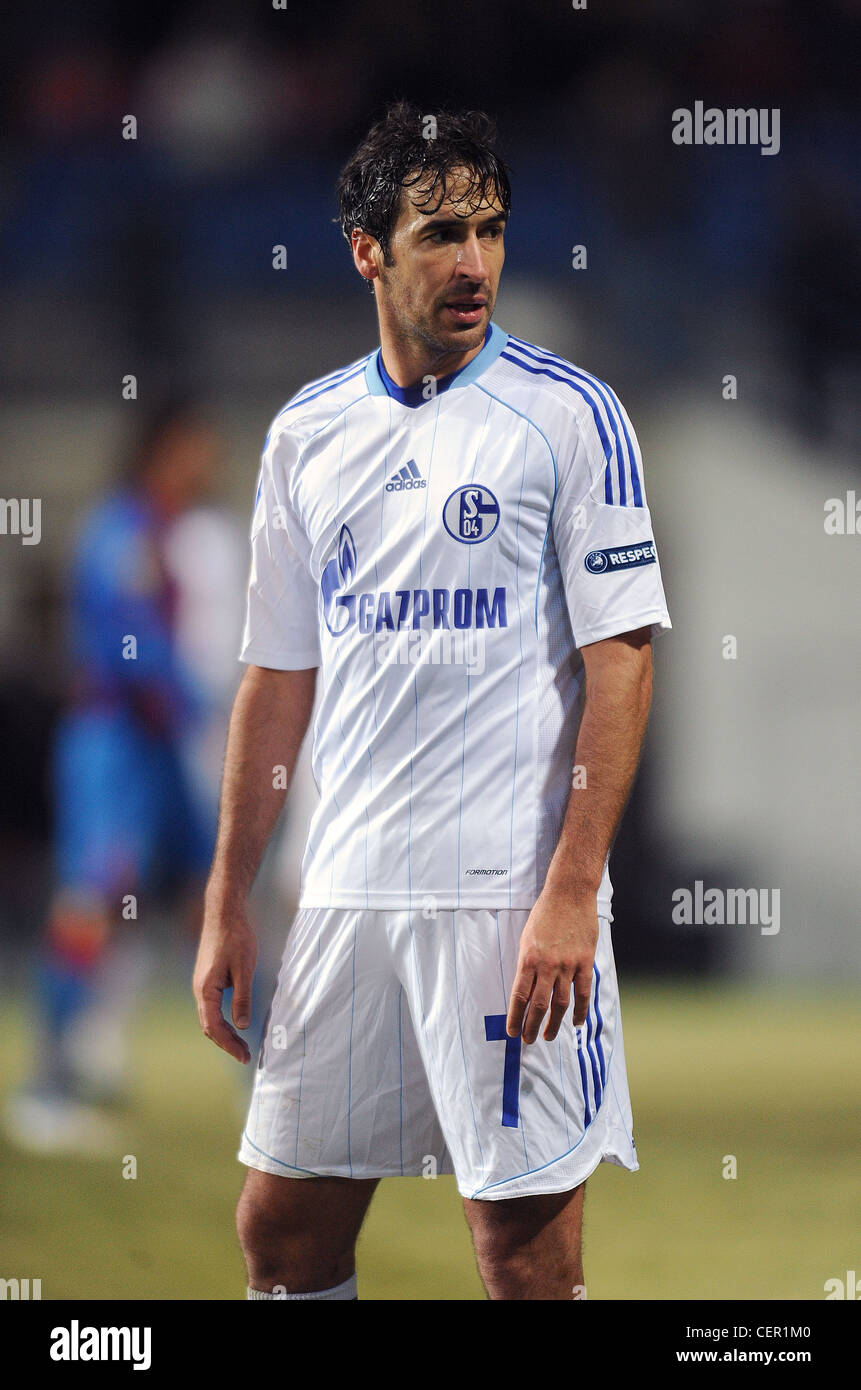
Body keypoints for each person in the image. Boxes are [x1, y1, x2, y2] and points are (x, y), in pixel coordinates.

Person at [193, 101, 672, 1301]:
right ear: (368, 248)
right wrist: (227, 897)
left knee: (523, 1258)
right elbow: (277, 675)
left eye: (493, 230)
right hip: (345, 893)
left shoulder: (571, 418)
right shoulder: (306, 434)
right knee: (283, 1234)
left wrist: (570, 891)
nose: (474, 264)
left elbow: (624, 657)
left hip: (505, 907)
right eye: (441, 233)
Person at [5, 398, 238, 1154]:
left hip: (157, 743)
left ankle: (266, 1078)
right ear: (164, 449)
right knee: (93, 899)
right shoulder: (121, 533)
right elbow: (128, 646)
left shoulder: (162, 533)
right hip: (114, 742)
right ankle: (47, 1084)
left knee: (211, 895)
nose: (205, 464)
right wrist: (199, 701)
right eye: (194, 448)